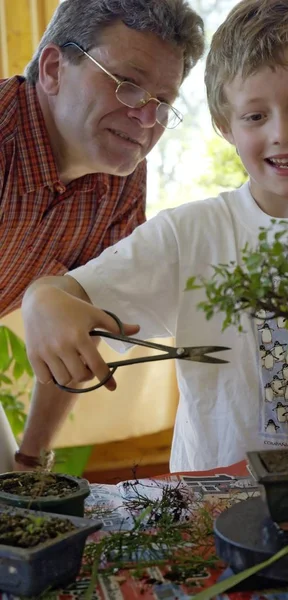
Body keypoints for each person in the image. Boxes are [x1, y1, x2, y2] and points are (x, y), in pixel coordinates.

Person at [20, 0, 288, 473]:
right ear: (224, 125)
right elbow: (71, 291)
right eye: (255, 116)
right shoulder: (188, 234)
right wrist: (42, 298)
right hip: (210, 508)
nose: (282, 132)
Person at [0, 0, 204, 472]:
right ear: (53, 69)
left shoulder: (122, 177)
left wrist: (31, 459)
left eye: (164, 102)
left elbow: (77, 325)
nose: (148, 120)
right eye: (128, 85)